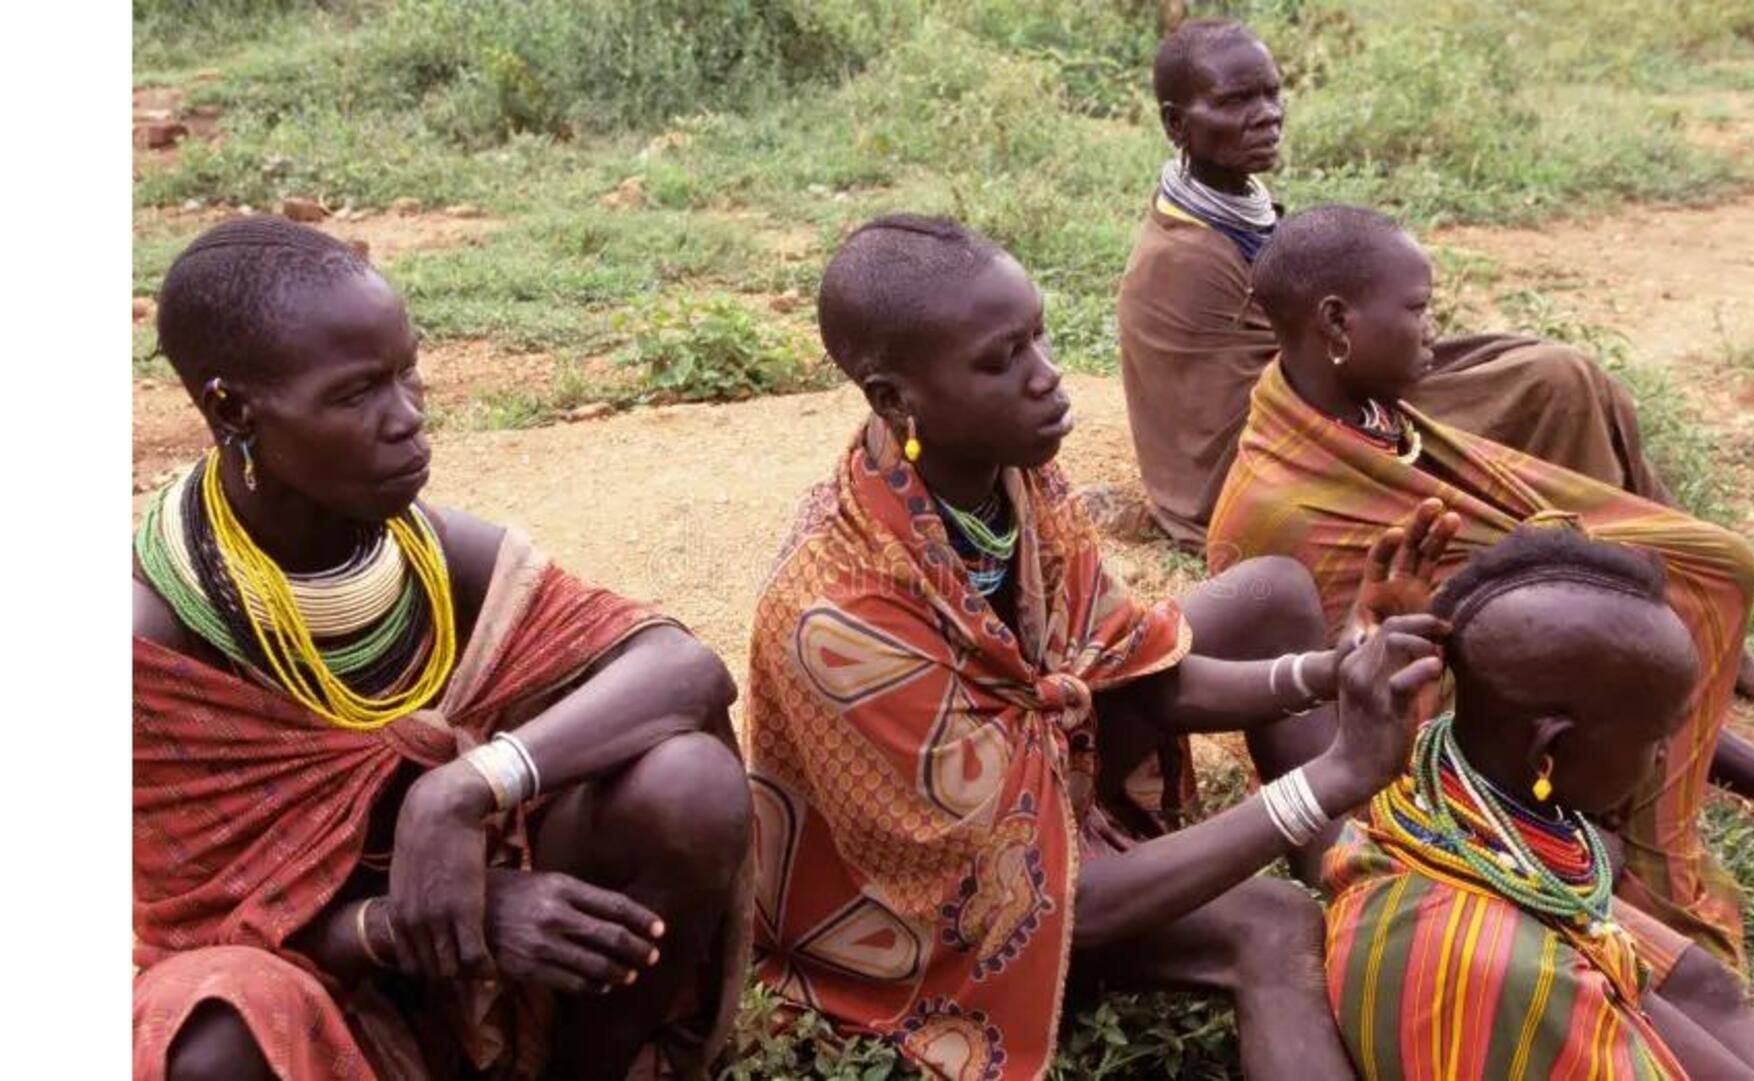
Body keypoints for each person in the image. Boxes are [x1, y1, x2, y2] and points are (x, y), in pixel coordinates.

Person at [745, 214, 1453, 1081]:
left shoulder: (1013, 472)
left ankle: (1359, 876)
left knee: (1271, 593)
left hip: (1027, 781)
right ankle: (1345, 861)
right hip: (921, 919)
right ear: (895, 398)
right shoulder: (841, 615)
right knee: (1268, 922)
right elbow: (1039, 900)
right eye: (1001, 361)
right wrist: (1330, 777)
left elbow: (1135, 673)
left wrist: (1330, 671)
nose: (1047, 378)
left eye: (1037, 338)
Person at [132, 218, 751, 1081]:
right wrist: (417, 921)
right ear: (233, 408)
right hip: (328, 978)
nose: (409, 417)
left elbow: (680, 666)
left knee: (686, 785)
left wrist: (467, 787)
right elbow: (194, 920)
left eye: (407, 372)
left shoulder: (427, 551)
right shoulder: (150, 639)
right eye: (356, 396)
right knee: (215, 1026)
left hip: (502, 976)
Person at [1114, 18, 1754, 704]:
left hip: (1325, 389)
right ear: (1176, 122)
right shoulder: (1183, 260)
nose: (1265, 115)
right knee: (1556, 384)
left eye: (1271, 94)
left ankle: (1669, 592)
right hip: (1276, 455)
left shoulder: (1231, 210)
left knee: (1566, 369)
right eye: (1234, 102)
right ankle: (1648, 612)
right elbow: (1232, 430)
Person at [1206, 203, 1754, 971]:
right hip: (1395, 779)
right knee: (1656, 936)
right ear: (1338, 324)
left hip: (1487, 715)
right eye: (1418, 309)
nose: (1433, 327)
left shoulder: (1377, 420)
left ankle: (1632, 805)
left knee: (1698, 569)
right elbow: (1337, 720)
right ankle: (1640, 848)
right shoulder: (1283, 509)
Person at [1322, 528, 1754, 1080]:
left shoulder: (1433, 780)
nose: (1664, 756)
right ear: (1550, 751)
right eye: (1656, 736)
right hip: (1513, 981)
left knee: (1701, 984)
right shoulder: (1521, 980)